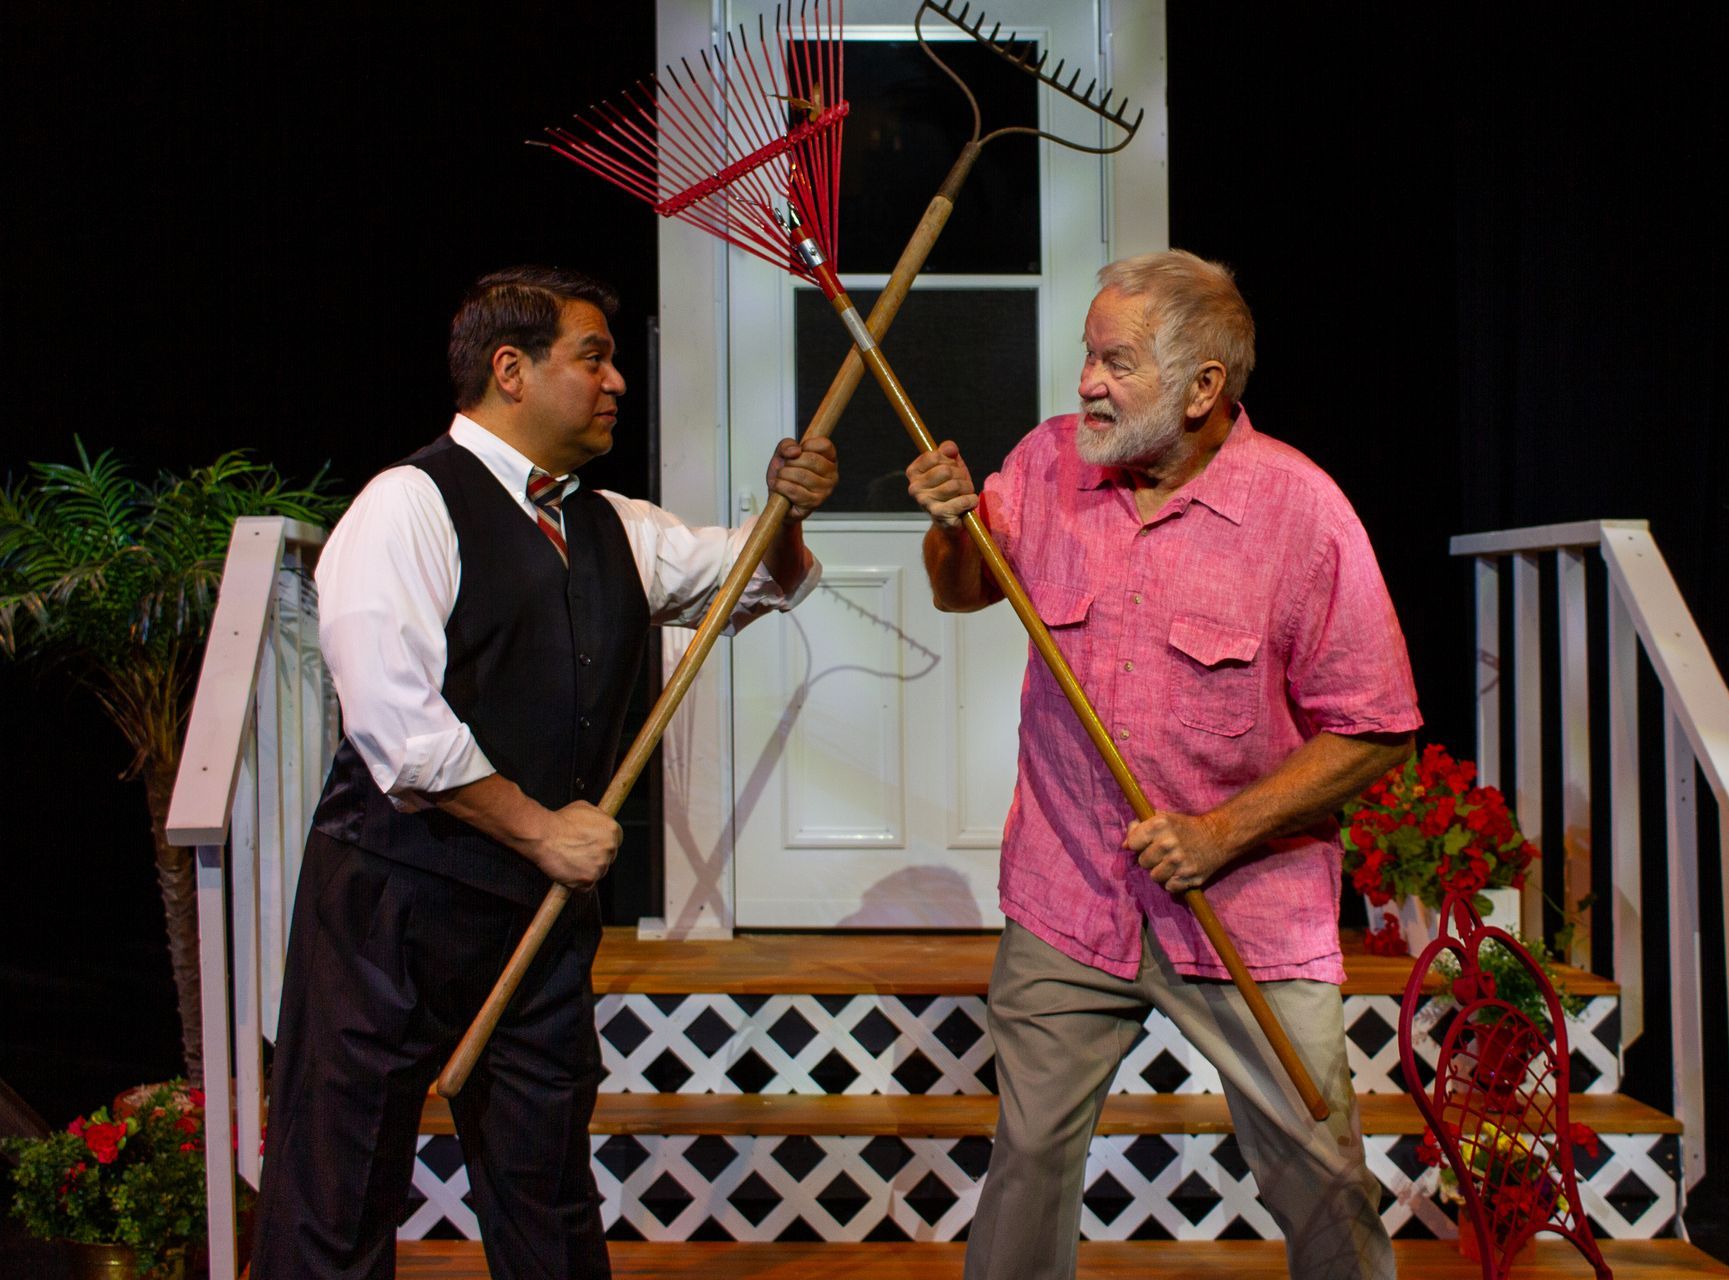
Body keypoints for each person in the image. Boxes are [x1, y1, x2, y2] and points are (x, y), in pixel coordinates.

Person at [252, 265, 838, 1279]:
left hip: (534, 914)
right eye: (594, 357)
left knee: (547, 1196)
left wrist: (788, 510)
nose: (616, 382)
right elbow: (400, 724)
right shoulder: (408, 503)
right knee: (339, 1191)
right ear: (509, 369)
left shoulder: (614, 524)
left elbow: (746, 577)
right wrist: (541, 828)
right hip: (395, 900)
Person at [905, 250, 1419, 1280]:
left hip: (1245, 909)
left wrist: (1221, 830)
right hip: (1069, 895)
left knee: (1320, 1172)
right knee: (1029, 1164)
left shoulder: (1302, 512)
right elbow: (967, 590)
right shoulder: (1049, 462)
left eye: (1117, 362)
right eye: (1088, 356)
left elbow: (1377, 726)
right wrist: (951, 527)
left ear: (1203, 387)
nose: (1087, 382)